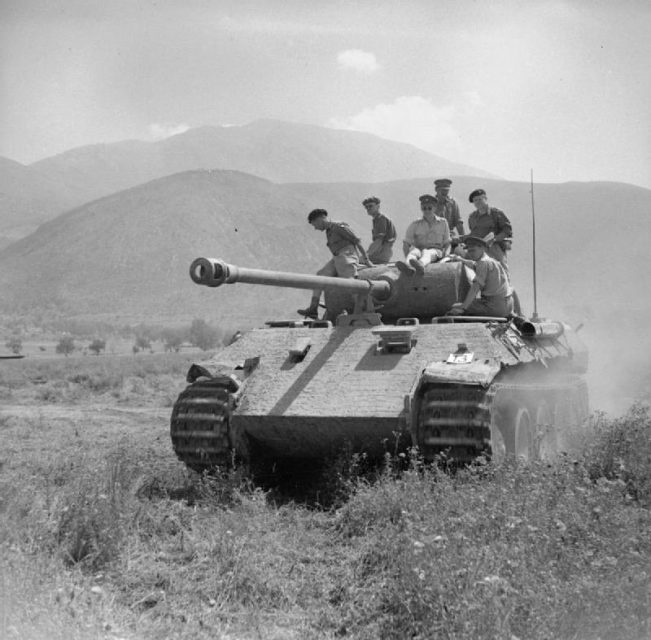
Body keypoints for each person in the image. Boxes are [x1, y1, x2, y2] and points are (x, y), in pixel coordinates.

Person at [297, 209, 373, 319]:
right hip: (337, 257)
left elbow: (357, 241)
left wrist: (366, 260)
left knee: (349, 282)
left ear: (320, 219)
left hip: (347, 255)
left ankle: (364, 308)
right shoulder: (329, 231)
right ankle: (313, 308)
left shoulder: (339, 227)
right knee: (320, 276)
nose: (315, 228)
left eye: (315, 224)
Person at [446, 234, 514, 318]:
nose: (471, 254)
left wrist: (463, 307)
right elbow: (473, 264)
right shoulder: (490, 261)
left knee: (455, 306)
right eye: (469, 251)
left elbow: (475, 287)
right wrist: (459, 259)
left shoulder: (483, 263)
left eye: (473, 250)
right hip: (508, 305)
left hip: (494, 306)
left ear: (483, 248)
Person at [397, 194, 450, 275]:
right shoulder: (415, 224)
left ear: (435, 208)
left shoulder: (443, 223)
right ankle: (408, 266)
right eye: (424, 208)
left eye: (429, 208)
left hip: (435, 251)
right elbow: (406, 243)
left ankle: (420, 265)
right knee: (413, 252)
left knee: (427, 252)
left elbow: (447, 243)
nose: (427, 211)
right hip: (419, 250)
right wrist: (407, 254)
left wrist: (446, 256)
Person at [466, 189, 512, 275]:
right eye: (475, 200)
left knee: (501, 270)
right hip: (479, 248)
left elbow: (507, 230)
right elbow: (473, 233)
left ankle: (506, 287)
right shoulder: (472, 217)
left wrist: (495, 239)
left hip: (494, 247)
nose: (478, 202)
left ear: (485, 198)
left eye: (480, 199)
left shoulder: (496, 213)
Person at [362, 196, 396, 264]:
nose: (368, 208)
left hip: (381, 253)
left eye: (370, 206)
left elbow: (378, 241)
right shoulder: (377, 219)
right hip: (381, 252)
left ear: (378, 206)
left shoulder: (380, 219)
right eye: (366, 207)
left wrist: (366, 256)